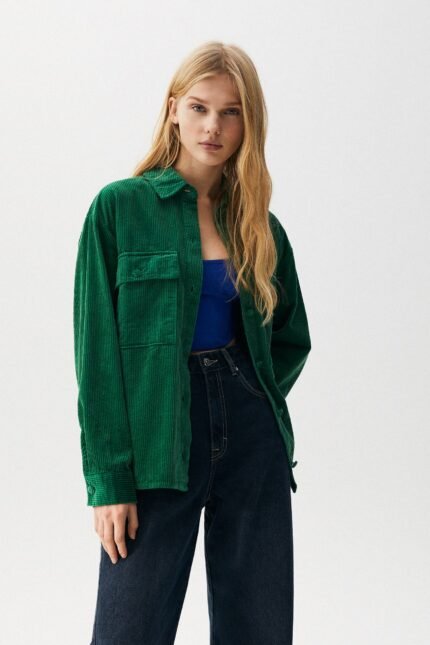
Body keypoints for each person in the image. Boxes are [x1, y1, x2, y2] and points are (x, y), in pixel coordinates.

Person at [73, 40, 311, 645]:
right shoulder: (119, 209)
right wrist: (109, 483)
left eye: (232, 112)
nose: (213, 127)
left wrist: (253, 393)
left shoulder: (260, 226)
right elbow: (96, 358)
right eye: (200, 107)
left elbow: (290, 337)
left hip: (251, 440)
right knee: (129, 628)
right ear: (173, 109)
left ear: (248, 124)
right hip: (157, 436)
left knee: (258, 629)